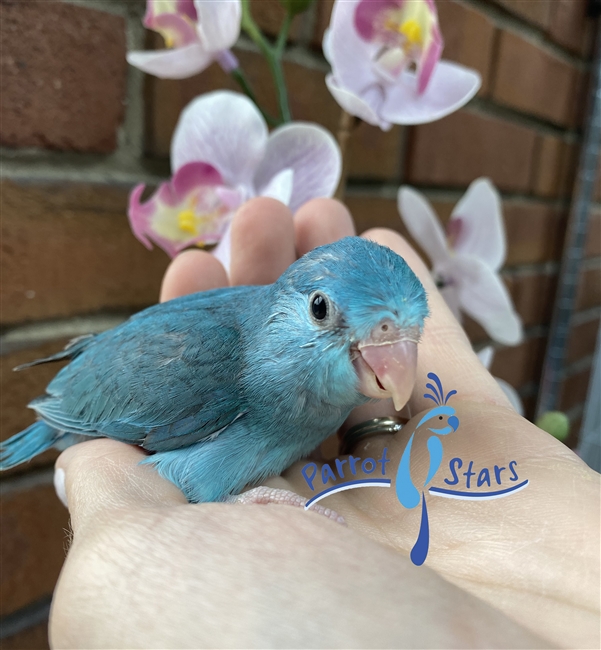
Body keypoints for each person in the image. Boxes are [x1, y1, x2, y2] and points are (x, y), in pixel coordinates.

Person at [49, 198, 600, 649]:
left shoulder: (343, 397)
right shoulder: (211, 363)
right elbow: (171, 471)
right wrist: (238, 503)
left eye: (405, 334)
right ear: (290, 308)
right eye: (321, 312)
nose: (389, 357)